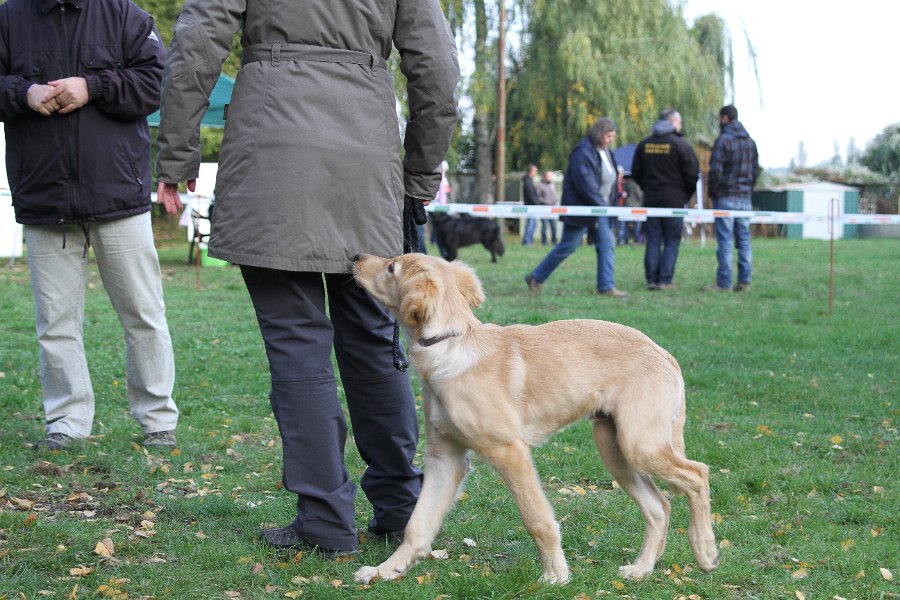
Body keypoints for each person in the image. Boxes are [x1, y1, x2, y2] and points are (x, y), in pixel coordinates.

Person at [156, 0, 459, 557]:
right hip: (366, 162)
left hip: (271, 155)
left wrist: (177, 156)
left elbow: (197, 43)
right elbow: (436, 66)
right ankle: (402, 508)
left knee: (297, 347)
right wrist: (420, 170)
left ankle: (324, 521)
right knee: (373, 342)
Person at [0, 0, 178, 451]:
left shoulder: (125, 15)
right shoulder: (8, 18)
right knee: (55, 324)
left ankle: (157, 420)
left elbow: (156, 84)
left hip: (118, 196)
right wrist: (23, 93)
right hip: (44, 198)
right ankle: (66, 422)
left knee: (143, 314)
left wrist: (92, 86)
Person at [525, 118, 627, 298]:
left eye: (613, 136)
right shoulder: (582, 152)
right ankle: (535, 277)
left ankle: (606, 286)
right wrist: (603, 206)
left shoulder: (607, 152)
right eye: (609, 136)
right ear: (600, 133)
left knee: (607, 244)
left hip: (601, 208)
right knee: (568, 246)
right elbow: (585, 183)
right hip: (583, 209)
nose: (611, 140)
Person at [631, 108, 699, 290]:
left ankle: (651, 280)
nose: (680, 126)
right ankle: (665, 280)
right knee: (672, 240)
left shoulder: (645, 144)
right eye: (680, 122)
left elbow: (635, 172)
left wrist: (647, 187)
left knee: (653, 239)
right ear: (672, 122)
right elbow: (692, 173)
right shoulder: (680, 145)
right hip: (674, 201)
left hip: (651, 199)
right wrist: (685, 194)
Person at [707, 104, 759, 292]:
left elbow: (715, 170)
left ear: (724, 118)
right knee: (744, 240)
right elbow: (755, 170)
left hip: (726, 196)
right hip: (745, 197)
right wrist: (748, 189)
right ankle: (745, 281)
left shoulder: (723, 140)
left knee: (725, 241)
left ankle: (724, 282)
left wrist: (714, 192)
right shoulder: (750, 142)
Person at [617, 176, 644, 245]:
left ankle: (623, 240)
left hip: (626, 205)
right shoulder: (637, 183)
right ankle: (637, 240)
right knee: (637, 225)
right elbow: (639, 195)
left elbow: (623, 194)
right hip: (636, 207)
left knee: (625, 225)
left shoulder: (625, 183)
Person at [536, 170, 559, 245]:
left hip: (553, 208)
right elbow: (537, 197)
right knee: (544, 226)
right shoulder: (540, 185)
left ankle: (554, 241)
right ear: (545, 177)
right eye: (549, 176)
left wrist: (555, 200)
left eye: (551, 176)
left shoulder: (552, 184)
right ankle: (544, 242)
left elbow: (555, 194)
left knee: (553, 226)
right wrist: (545, 201)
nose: (550, 178)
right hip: (544, 208)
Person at [521, 164, 539, 245]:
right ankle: (527, 241)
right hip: (531, 206)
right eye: (535, 171)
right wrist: (537, 204)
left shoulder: (529, 180)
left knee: (532, 224)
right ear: (531, 171)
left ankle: (529, 240)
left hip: (532, 206)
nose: (536, 172)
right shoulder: (527, 181)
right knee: (530, 224)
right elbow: (530, 195)